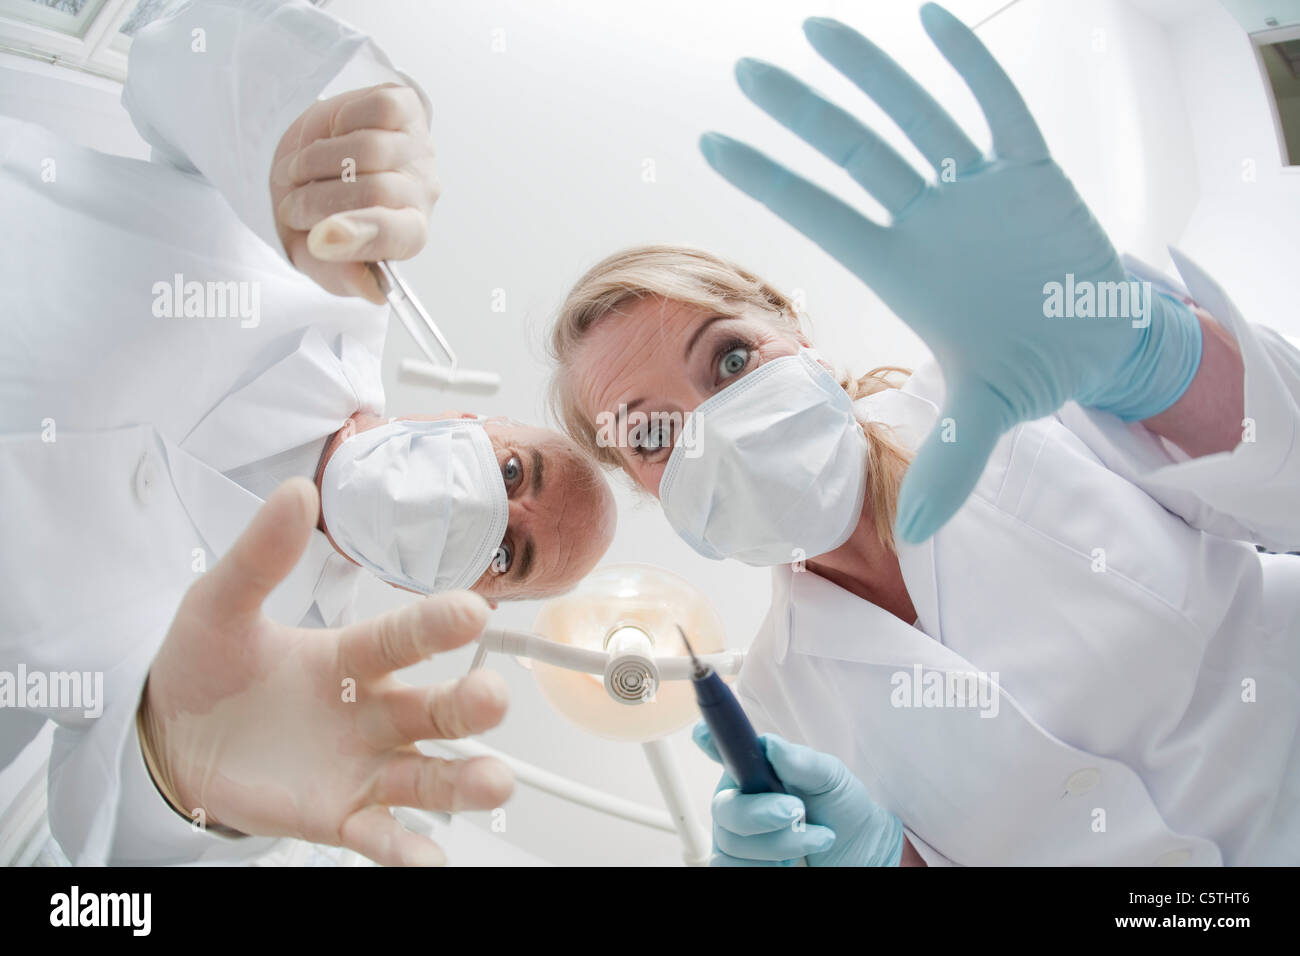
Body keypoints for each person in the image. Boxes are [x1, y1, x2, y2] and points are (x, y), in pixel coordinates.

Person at [546, 5, 1300, 865]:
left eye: (727, 363)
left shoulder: (1018, 389)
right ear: (643, 486)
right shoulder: (775, 704)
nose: (716, 431)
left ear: (792, 327)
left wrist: (1150, 353)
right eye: (651, 436)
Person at [0, 0, 611, 864]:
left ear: (472, 603)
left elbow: (96, 842)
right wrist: (319, 130)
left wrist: (178, 775)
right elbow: (173, 52)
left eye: (509, 554)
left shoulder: (300, 685)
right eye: (514, 473)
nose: (486, 513)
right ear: (467, 419)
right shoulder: (321, 271)